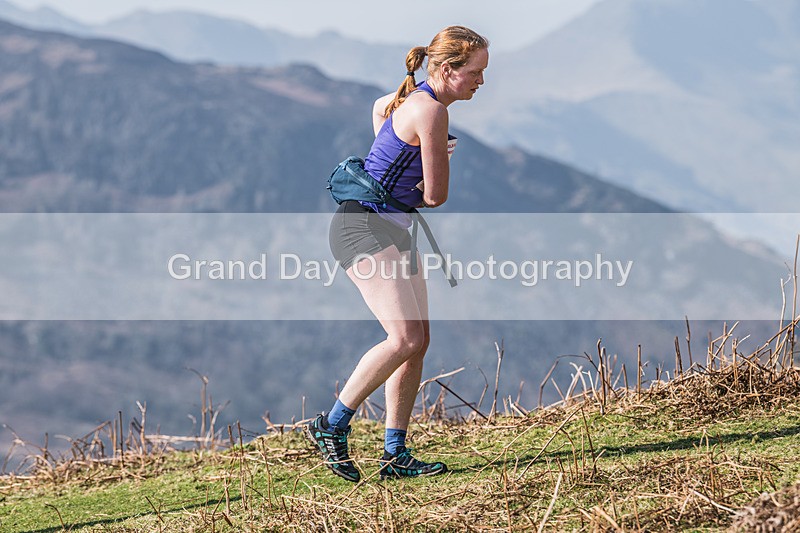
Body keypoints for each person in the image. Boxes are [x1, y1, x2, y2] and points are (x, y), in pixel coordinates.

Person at [306, 25, 489, 482]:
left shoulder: (410, 97)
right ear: (446, 70)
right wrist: (441, 156)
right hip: (363, 228)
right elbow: (436, 196)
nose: (481, 82)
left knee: (417, 342)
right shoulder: (430, 112)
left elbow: (378, 109)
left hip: (388, 227)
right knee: (404, 338)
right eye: (475, 72)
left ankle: (394, 453)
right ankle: (331, 425)